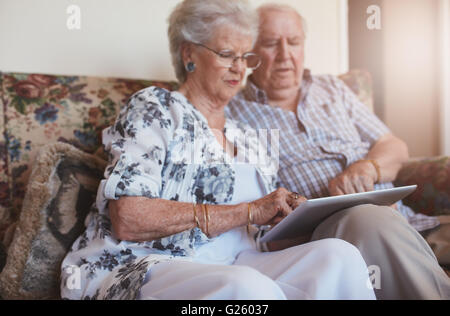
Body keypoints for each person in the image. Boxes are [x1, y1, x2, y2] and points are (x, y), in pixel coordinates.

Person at [60, 0, 376, 300]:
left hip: (240, 261)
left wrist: (293, 216)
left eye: (245, 57)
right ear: (189, 55)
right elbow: (127, 219)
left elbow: (264, 239)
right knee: (247, 288)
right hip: (148, 263)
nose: (240, 69)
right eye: (227, 54)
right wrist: (247, 210)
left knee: (339, 256)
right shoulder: (156, 108)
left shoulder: (251, 136)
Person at [226, 3, 450, 300]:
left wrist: (369, 167)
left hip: (408, 222)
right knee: (367, 219)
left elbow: (394, 147)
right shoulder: (232, 113)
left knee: (382, 221)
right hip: (332, 233)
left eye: (293, 42)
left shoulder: (332, 88)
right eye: (270, 44)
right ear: (250, 51)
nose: (285, 55)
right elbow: (243, 202)